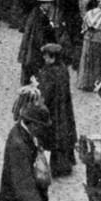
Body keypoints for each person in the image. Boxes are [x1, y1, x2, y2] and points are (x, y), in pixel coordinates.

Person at [0, 97, 53, 201]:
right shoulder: (19, 144)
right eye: (41, 127)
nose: (43, 131)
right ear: (33, 124)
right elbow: (22, 179)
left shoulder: (23, 133)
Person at [35, 44, 77, 178]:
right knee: (64, 135)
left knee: (53, 137)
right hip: (64, 109)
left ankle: (56, 166)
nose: (44, 57)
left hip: (52, 110)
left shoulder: (48, 72)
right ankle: (65, 164)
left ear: (52, 57)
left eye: (46, 55)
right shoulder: (63, 69)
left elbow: (45, 93)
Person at [18, 0, 56, 86]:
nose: (49, 6)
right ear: (43, 4)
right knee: (34, 69)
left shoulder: (35, 12)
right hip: (35, 48)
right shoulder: (41, 17)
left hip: (29, 45)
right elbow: (40, 35)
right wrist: (50, 28)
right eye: (48, 3)